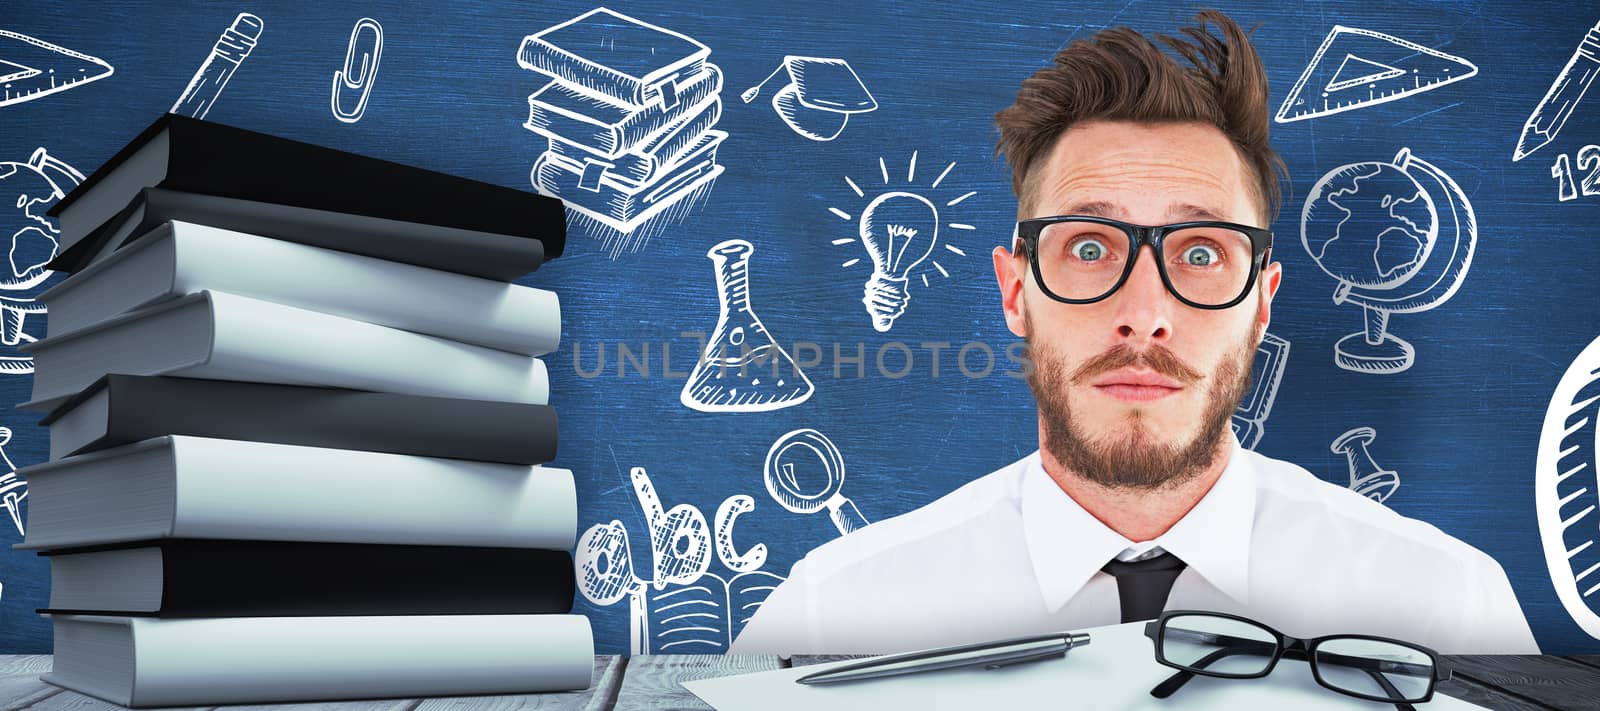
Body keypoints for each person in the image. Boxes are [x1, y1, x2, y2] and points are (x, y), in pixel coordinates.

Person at [730, 10, 1538, 655]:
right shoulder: (833, 612)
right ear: (1015, 291)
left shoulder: (1446, 608)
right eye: (1089, 246)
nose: (1145, 312)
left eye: (1200, 251)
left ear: (1262, 300)